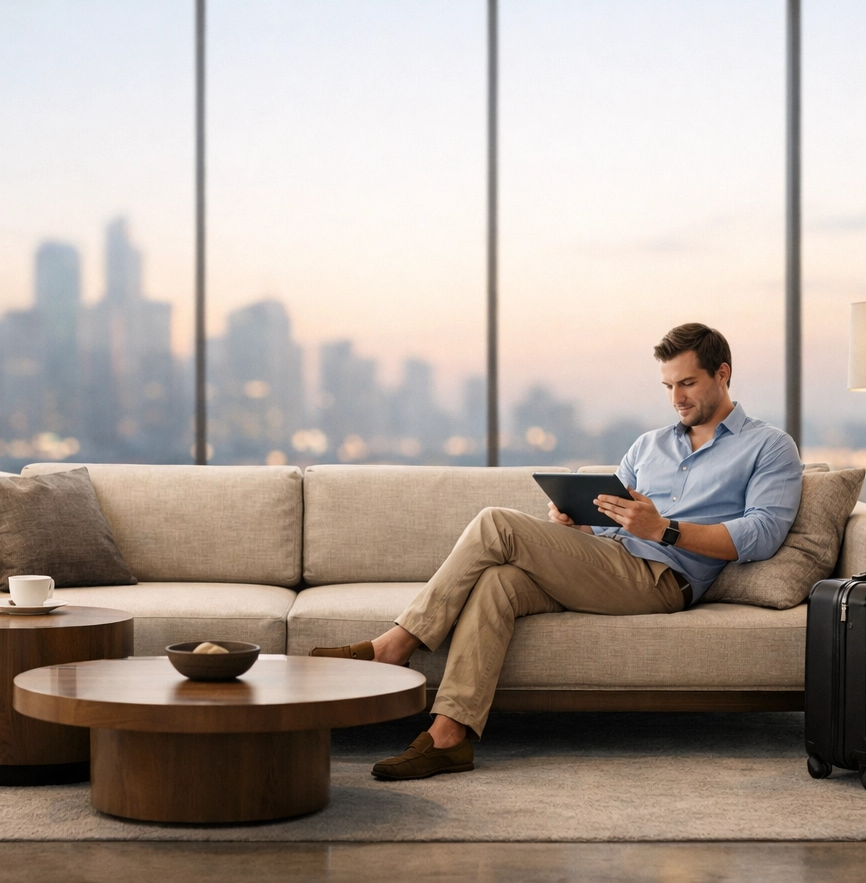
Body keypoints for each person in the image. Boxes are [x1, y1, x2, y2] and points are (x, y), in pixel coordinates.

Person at [311, 322, 803, 780]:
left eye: (688, 384)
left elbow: (762, 533)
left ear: (723, 374)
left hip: (662, 579)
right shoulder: (648, 445)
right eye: (668, 386)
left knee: (495, 523)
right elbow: (612, 522)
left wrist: (665, 530)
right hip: (608, 565)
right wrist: (576, 526)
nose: (676, 398)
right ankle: (448, 737)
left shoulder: (769, 447)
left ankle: (395, 646)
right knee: (498, 583)